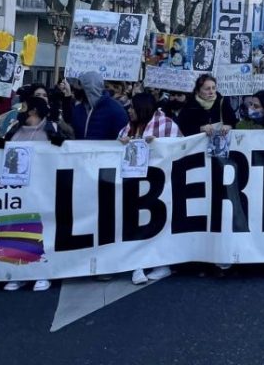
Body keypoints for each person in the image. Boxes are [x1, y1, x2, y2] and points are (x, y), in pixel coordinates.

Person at [0, 95, 64, 293]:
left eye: (24, 107)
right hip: (16, 190)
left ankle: (42, 273)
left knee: (42, 230)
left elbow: (66, 153)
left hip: (43, 189)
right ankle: (19, 273)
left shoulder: (52, 129)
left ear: (34, 111)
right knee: (17, 229)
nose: (19, 110)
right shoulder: (14, 128)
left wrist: (60, 143)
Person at [118, 92, 182, 285]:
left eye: (132, 107)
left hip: (159, 184)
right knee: (136, 223)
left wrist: (159, 145)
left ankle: (162, 264)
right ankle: (138, 264)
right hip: (133, 184)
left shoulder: (167, 124)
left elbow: (181, 148)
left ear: (142, 108)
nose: (129, 110)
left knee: (158, 223)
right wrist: (121, 143)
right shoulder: (128, 128)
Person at [71, 71, 128, 141]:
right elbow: (71, 131)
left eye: (80, 86)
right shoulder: (78, 109)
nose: (76, 89)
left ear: (89, 88)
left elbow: (123, 137)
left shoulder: (116, 110)